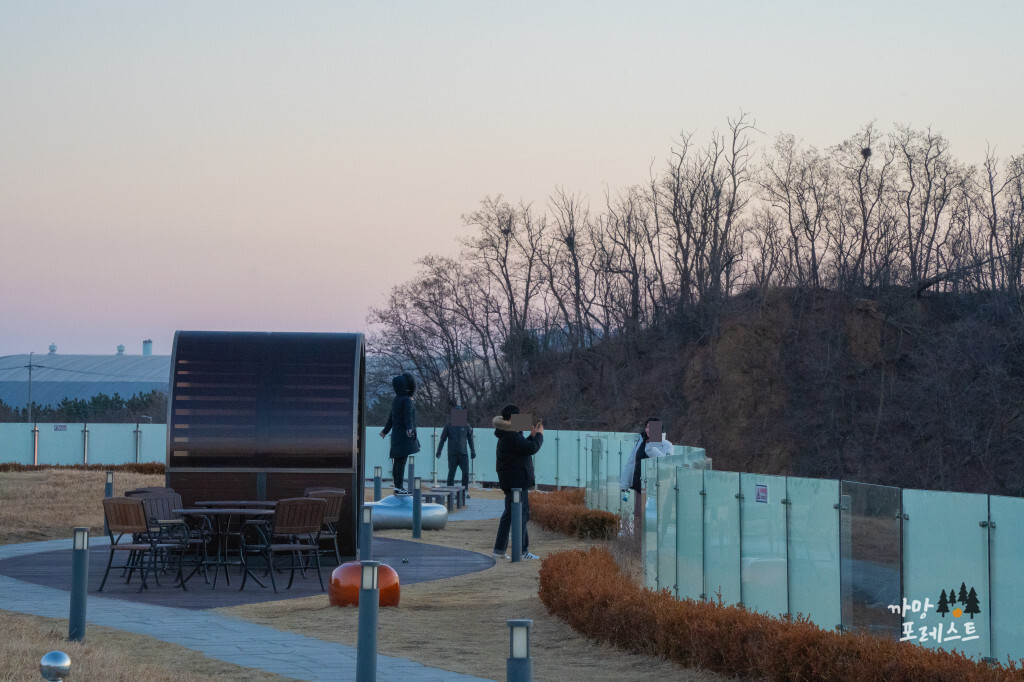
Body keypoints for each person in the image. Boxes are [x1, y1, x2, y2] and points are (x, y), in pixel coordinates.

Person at [492, 404, 543, 560]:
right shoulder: (511, 435)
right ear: (513, 418)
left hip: (511, 481)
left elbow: (522, 447)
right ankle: (522, 551)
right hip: (517, 482)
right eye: (519, 416)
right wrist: (540, 436)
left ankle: (499, 550)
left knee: (509, 515)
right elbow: (531, 449)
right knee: (521, 515)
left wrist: (531, 436)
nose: (522, 418)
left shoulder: (508, 434)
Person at [620, 417, 673, 525]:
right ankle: (637, 541)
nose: (649, 430)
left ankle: (653, 541)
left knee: (653, 520)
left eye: (653, 428)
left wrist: (651, 445)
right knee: (639, 518)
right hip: (640, 487)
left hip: (656, 489)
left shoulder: (666, 445)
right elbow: (631, 463)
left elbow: (663, 463)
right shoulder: (641, 442)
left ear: (659, 430)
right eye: (647, 427)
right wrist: (625, 484)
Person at [379, 373, 420, 494]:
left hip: (396, 435)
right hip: (404, 436)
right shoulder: (406, 400)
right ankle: (399, 486)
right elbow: (408, 417)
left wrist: (385, 431)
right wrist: (409, 429)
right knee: (401, 462)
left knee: (397, 461)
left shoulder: (396, 400)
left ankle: (397, 485)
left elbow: (391, 418)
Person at [435, 405, 476, 492]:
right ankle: (450, 491)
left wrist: (473, 451)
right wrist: (439, 450)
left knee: (465, 473)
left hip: (463, 454)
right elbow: (442, 439)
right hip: (452, 454)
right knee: (451, 473)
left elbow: (470, 439)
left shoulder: (466, 425)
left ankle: (465, 491)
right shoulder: (448, 426)